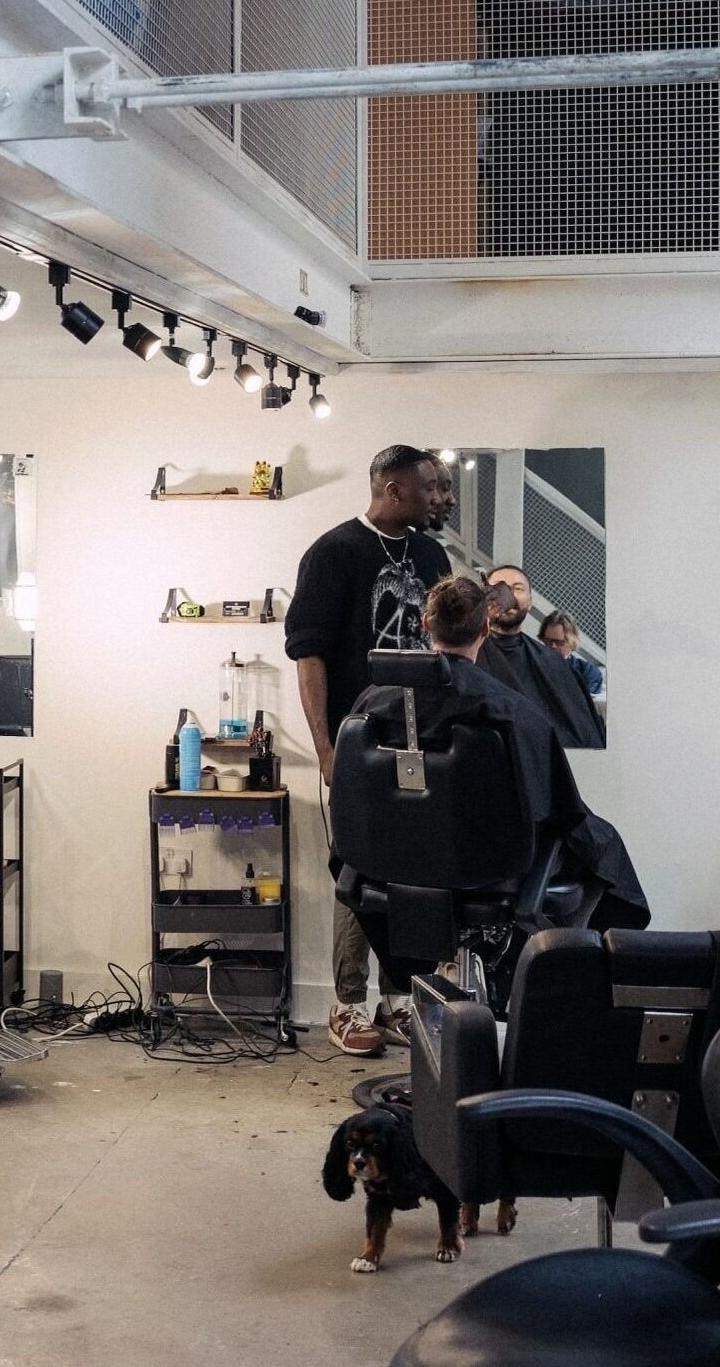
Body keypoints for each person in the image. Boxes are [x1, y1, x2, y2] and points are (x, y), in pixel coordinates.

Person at [349, 578, 649, 948]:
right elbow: (559, 808)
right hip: (488, 864)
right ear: (485, 630)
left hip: (393, 857)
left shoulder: (372, 701)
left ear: (426, 624)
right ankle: (557, 964)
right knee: (601, 849)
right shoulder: (510, 710)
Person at [285, 444, 451, 1057]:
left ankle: (398, 1000)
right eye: (429, 488)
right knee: (357, 870)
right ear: (393, 490)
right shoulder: (334, 553)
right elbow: (310, 657)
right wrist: (326, 747)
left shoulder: (431, 556)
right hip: (359, 742)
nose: (439, 498)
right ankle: (348, 1004)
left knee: (412, 873)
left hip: (424, 742)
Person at [476, 565, 606, 749]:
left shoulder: (555, 663)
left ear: (530, 602)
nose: (508, 595)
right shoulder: (465, 653)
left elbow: (584, 734)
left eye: (517, 588)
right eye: (498, 587)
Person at [540, 610, 604, 697]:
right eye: (548, 641)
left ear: (571, 641)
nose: (553, 646)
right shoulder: (532, 666)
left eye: (559, 642)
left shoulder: (587, 672)